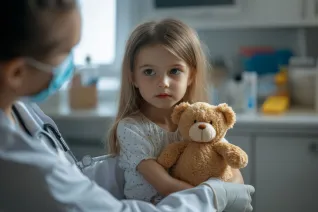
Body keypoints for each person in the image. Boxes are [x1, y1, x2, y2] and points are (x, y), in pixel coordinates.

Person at [0, 1, 254, 211]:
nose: (74, 65)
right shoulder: (14, 158)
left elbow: (70, 180)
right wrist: (212, 194)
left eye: (175, 70)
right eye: (67, 52)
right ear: (17, 73)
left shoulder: (23, 111)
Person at [107, 18, 245, 204]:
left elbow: (235, 177)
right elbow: (166, 186)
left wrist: (225, 191)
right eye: (149, 72)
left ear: (191, 76)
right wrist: (217, 196)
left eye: (174, 71)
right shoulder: (131, 128)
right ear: (133, 78)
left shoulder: (200, 123)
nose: (163, 82)